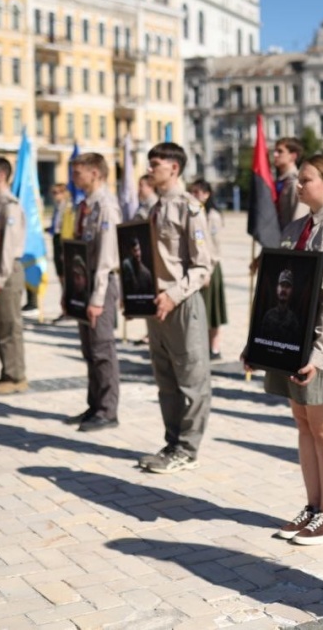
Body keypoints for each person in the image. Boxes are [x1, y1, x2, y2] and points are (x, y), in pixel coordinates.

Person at [243, 154, 323, 546]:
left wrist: (317, 356)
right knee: (302, 419)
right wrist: (257, 342)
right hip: (290, 335)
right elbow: (274, 288)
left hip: (321, 342)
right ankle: (313, 507)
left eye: (307, 179)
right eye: (299, 179)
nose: (298, 185)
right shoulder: (296, 227)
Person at [136, 142, 213, 474]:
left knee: (192, 379)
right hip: (157, 305)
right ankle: (172, 442)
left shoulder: (189, 208)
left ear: (174, 168)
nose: (150, 168)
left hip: (180, 303)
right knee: (165, 378)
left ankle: (188, 448)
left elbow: (202, 267)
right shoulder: (155, 208)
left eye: (156, 163)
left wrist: (173, 295)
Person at [62, 153, 122, 432]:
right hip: (84, 284)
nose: (74, 179)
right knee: (89, 349)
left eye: (78, 173)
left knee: (101, 349)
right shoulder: (85, 206)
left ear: (95, 173)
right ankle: (94, 404)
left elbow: (107, 257)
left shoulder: (106, 207)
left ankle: (108, 411)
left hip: (101, 285)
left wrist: (97, 298)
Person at [0, 157, 28, 394]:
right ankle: (7, 372)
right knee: (0, 325)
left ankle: (16, 376)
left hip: (8, 272)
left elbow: (8, 248)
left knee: (10, 325)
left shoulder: (10, 205)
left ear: (1, 176)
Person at [190, 179, 228, 360]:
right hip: (198, 267)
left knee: (213, 310)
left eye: (198, 192)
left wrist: (209, 271)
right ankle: (203, 345)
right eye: (192, 192)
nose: (194, 196)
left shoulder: (212, 215)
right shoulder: (195, 213)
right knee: (201, 309)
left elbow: (215, 246)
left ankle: (215, 348)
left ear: (207, 194)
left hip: (210, 268)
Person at [259, 269, 302, 347]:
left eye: (287, 286)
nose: (284, 289)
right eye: (282, 285)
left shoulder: (293, 321)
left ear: (291, 291)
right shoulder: (268, 316)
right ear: (277, 288)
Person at [274, 137, 309, 230]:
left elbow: (299, 219)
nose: (275, 154)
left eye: (280, 151)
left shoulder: (296, 182)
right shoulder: (279, 181)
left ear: (293, 156)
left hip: (288, 239)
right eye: (275, 151)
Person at [49, 183, 72, 322]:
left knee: (66, 277)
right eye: (54, 193)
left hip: (64, 242)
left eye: (58, 192)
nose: (55, 195)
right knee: (60, 276)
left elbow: (67, 228)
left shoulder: (68, 208)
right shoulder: (57, 208)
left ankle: (68, 308)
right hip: (56, 240)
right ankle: (65, 307)